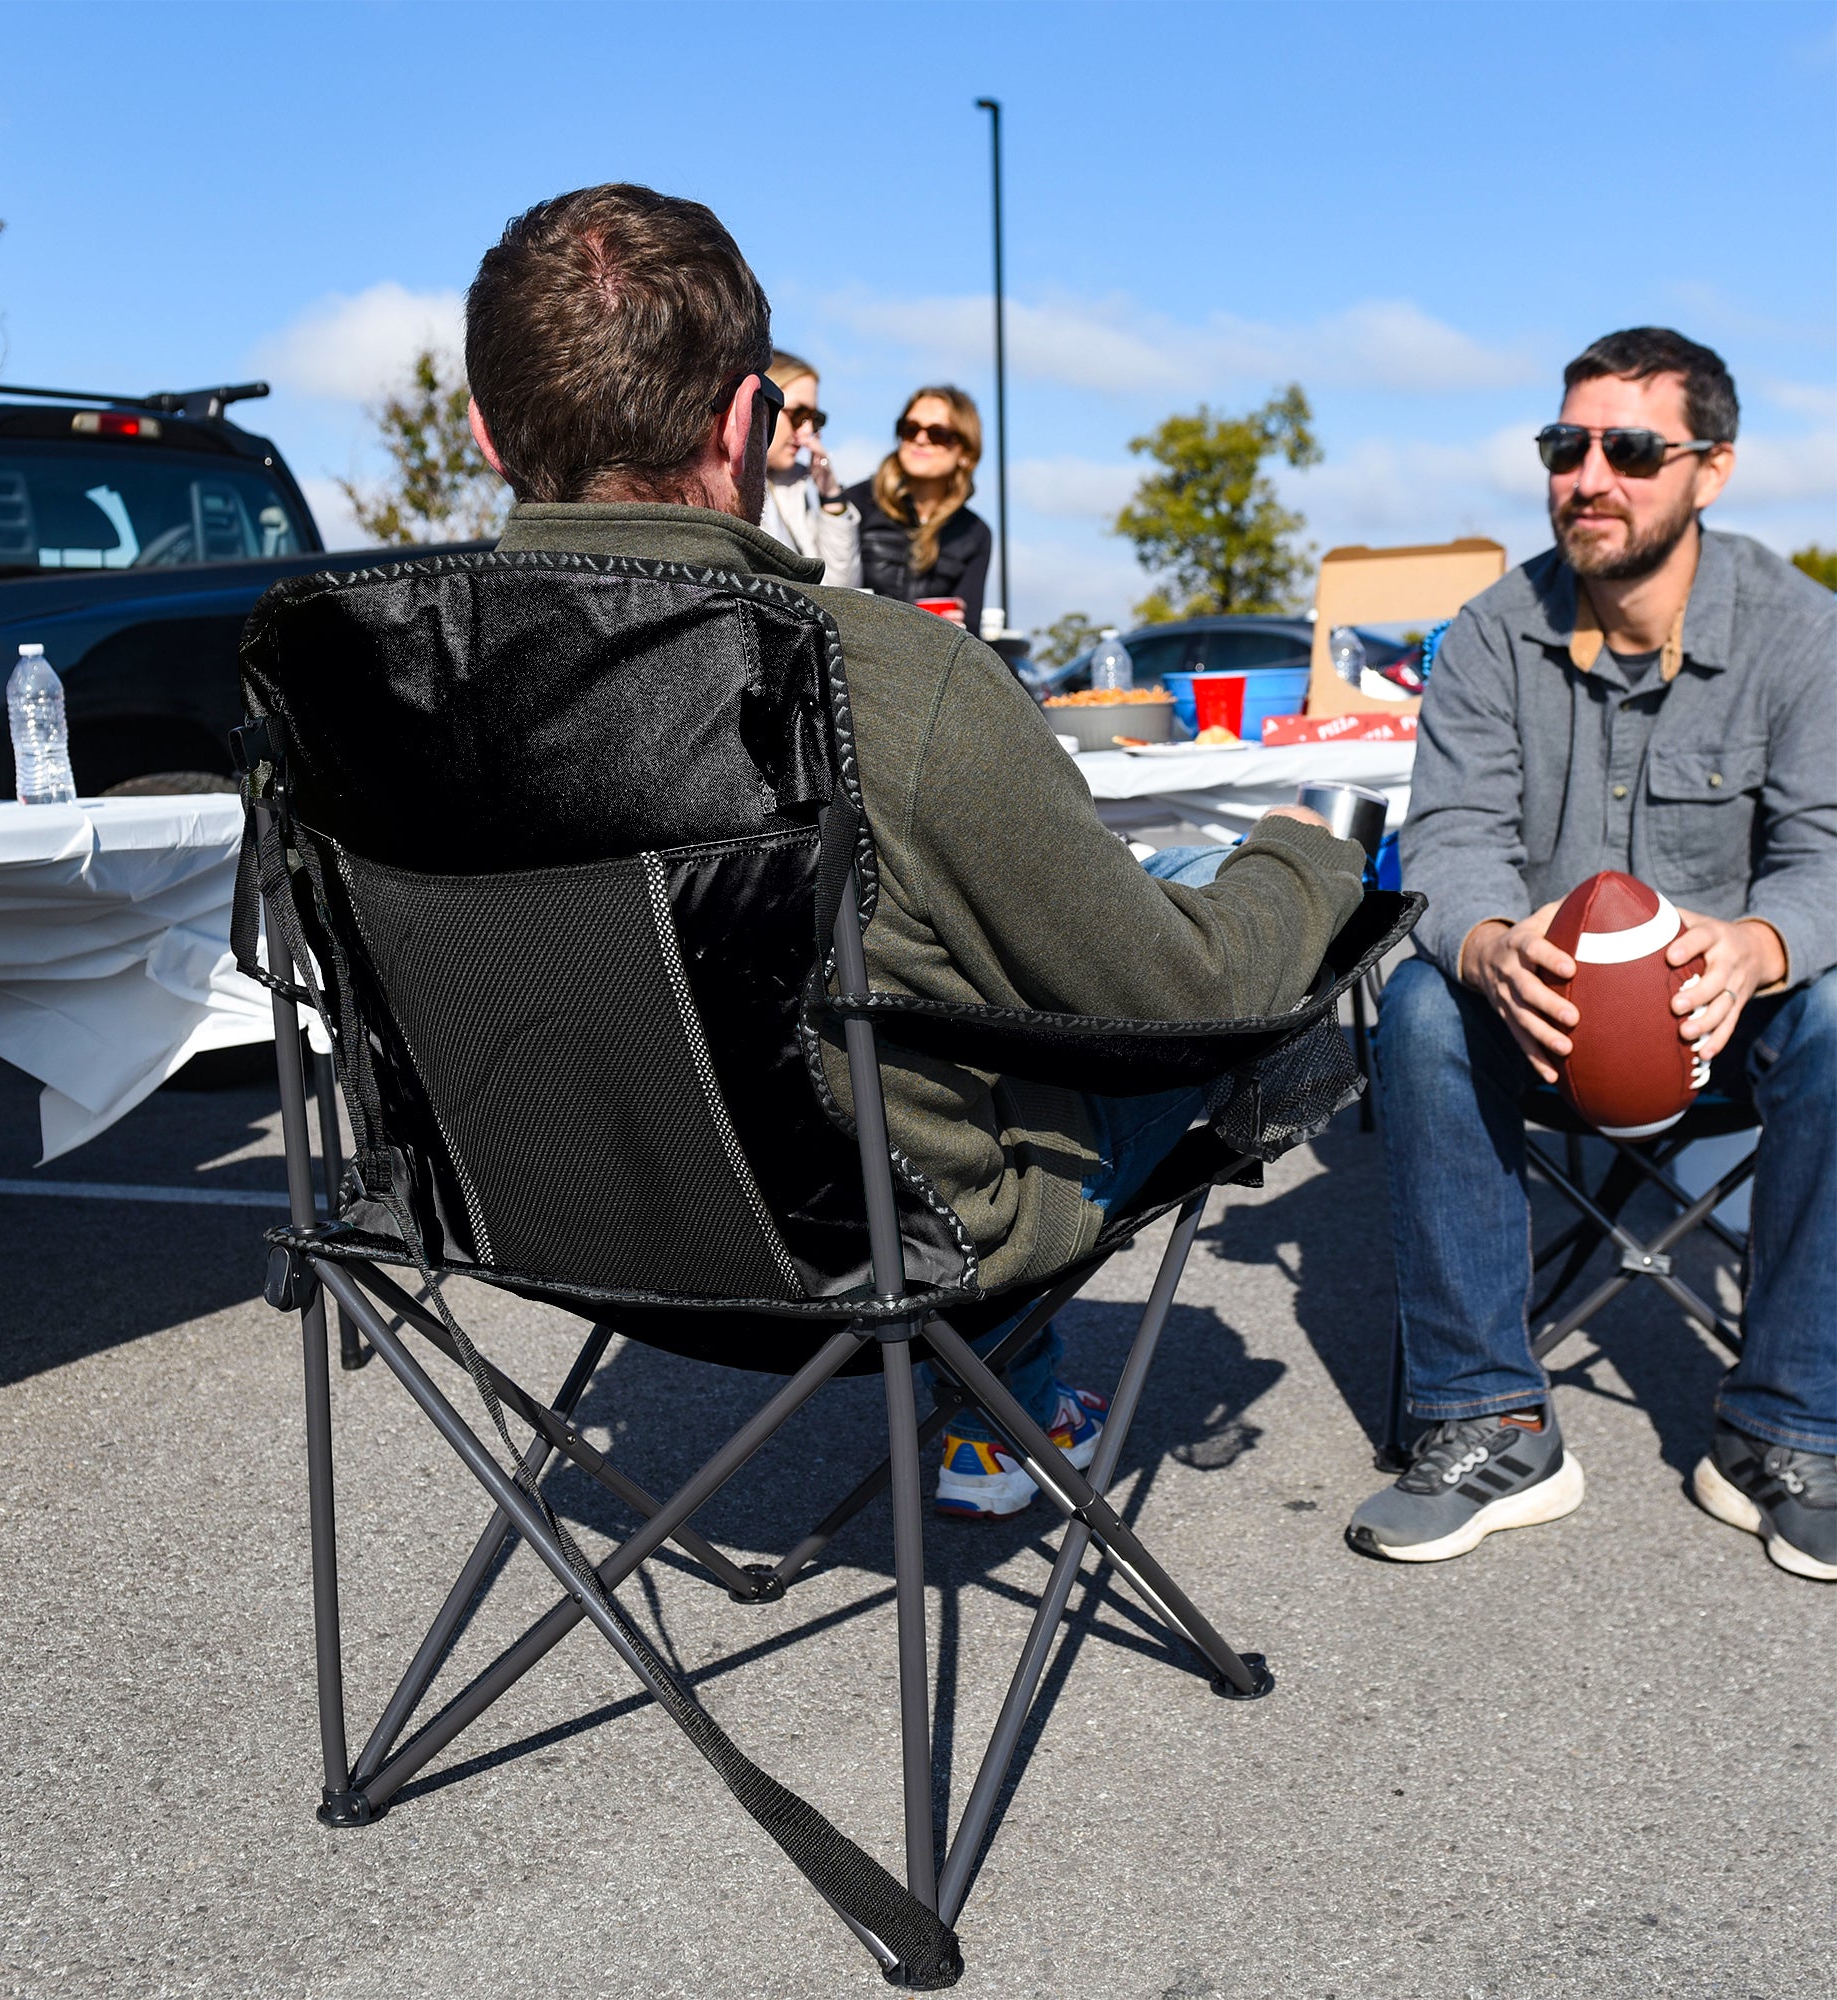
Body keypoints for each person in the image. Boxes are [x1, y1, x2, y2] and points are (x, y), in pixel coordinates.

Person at [462, 184, 1366, 1517]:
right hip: (875, 1246)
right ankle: (1007, 1398)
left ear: (485, 432)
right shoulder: (881, 677)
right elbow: (1181, 997)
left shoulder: (378, 686)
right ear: (743, 422)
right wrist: (1307, 863)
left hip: (539, 1219)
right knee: (1251, 951)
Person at [1351, 327, 1837, 1581]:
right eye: (1565, 446)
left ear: (1709, 469)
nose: (1587, 476)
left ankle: (1786, 1429)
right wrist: (1489, 940)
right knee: (1418, 1001)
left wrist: (1760, 943)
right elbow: (1448, 834)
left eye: (1628, 448)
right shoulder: (1488, 631)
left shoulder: (1796, 631)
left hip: (1726, 1020)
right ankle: (1487, 1419)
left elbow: (1827, 849)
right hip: (1542, 1020)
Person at [845, 386, 991, 626]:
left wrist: (957, 628)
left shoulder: (975, 533)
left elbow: (972, 631)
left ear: (965, 452)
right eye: (910, 429)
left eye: (938, 434)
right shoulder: (857, 503)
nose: (920, 440)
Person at [759, 350, 861, 586]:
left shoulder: (801, 485)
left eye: (814, 420)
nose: (807, 432)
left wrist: (831, 497)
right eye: (798, 415)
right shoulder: (720, 480)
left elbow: (843, 591)